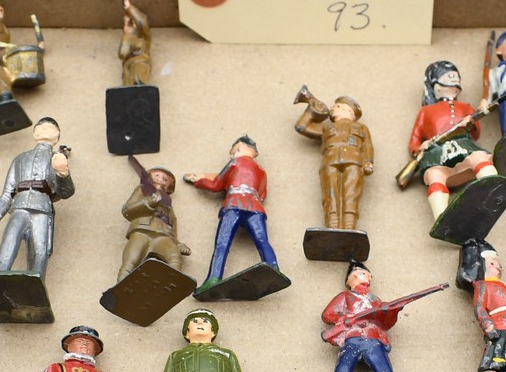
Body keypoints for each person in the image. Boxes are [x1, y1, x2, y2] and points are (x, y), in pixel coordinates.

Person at [0, 117, 74, 277]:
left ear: (57, 136)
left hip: (42, 209)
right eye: (40, 127)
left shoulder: (56, 159)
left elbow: (65, 193)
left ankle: (35, 283)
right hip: (19, 207)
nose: (45, 129)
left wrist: (63, 173)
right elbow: (7, 193)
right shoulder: (20, 159)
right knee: (8, 242)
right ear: (34, 133)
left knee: (39, 252)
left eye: (50, 128)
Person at [407, 60, 500, 221]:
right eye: (449, 76)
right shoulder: (426, 111)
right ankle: (442, 218)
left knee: (479, 158)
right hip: (437, 151)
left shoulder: (466, 107)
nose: (454, 79)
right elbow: (414, 142)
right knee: (434, 175)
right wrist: (422, 146)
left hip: (463, 144)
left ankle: (493, 187)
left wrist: (471, 122)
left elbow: (476, 134)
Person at [184, 136, 278, 288]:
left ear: (250, 150)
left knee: (222, 243)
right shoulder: (262, 171)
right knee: (262, 241)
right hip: (255, 208)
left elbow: (216, 184)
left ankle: (214, 278)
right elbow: (262, 195)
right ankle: (273, 269)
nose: (233, 155)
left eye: (235, 150)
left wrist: (200, 181)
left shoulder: (234, 163)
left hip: (233, 205)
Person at [293, 91, 375, 231]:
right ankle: (332, 227)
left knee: (351, 194)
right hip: (330, 161)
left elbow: (367, 146)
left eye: (337, 106)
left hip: (354, 161)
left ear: (348, 110)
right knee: (329, 195)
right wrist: (311, 110)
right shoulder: (326, 127)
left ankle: (349, 228)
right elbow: (302, 127)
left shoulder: (361, 128)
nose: (332, 108)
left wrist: (368, 161)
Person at [320, 262, 398, 372]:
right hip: (353, 338)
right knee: (344, 367)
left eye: (368, 275)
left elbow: (384, 324)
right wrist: (347, 318)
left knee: (385, 371)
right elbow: (327, 315)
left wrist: (392, 312)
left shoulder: (376, 301)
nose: (368, 277)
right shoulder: (346, 296)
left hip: (374, 340)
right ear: (351, 278)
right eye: (362, 273)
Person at [116, 166, 189, 280]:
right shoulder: (142, 190)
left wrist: (177, 243)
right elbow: (127, 210)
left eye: (165, 179)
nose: (161, 179)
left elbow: (172, 222)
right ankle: (120, 284)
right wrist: (148, 203)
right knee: (131, 260)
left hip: (163, 236)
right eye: (157, 175)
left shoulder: (167, 202)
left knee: (175, 257)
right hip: (141, 231)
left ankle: (173, 283)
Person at [118, 0, 152, 86]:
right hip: (128, 67)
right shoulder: (130, 39)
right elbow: (122, 54)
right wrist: (126, 33)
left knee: (138, 84)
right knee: (126, 89)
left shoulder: (144, 37)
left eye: (133, 22)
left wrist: (129, 8)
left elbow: (142, 23)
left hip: (139, 63)